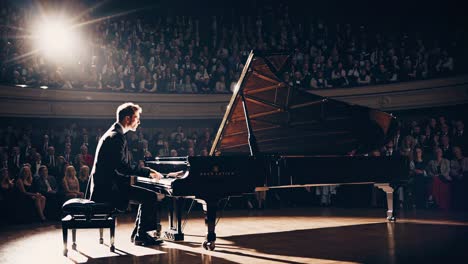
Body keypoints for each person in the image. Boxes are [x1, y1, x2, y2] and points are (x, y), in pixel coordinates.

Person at [89, 102, 181, 246]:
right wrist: (147, 172)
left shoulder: (115, 134)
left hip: (108, 185)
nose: (139, 121)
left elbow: (120, 167)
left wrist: (145, 174)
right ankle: (141, 235)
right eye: (136, 118)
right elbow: (122, 167)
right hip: (108, 189)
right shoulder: (116, 136)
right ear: (127, 119)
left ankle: (139, 233)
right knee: (150, 197)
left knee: (147, 194)